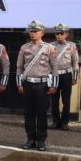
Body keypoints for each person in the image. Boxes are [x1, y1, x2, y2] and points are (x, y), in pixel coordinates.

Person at [16, 20, 59, 151]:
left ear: (42, 32)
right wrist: (19, 84)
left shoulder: (49, 48)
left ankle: (41, 140)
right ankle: (30, 139)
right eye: (31, 31)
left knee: (41, 114)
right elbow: (19, 67)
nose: (33, 33)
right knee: (28, 114)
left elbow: (54, 66)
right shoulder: (24, 47)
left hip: (42, 85)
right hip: (28, 84)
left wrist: (54, 85)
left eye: (35, 31)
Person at [50, 23, 79, 130]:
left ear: (66, 34)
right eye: (57, 33)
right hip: (54, 75)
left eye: (61, 33)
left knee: (66, 100)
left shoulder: (71, 46)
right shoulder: (50, 46)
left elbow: (75, 62)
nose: (59, 35)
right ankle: (55, 121)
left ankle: (65, 122)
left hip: (67, 75)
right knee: (54, 100)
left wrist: (74, 77)